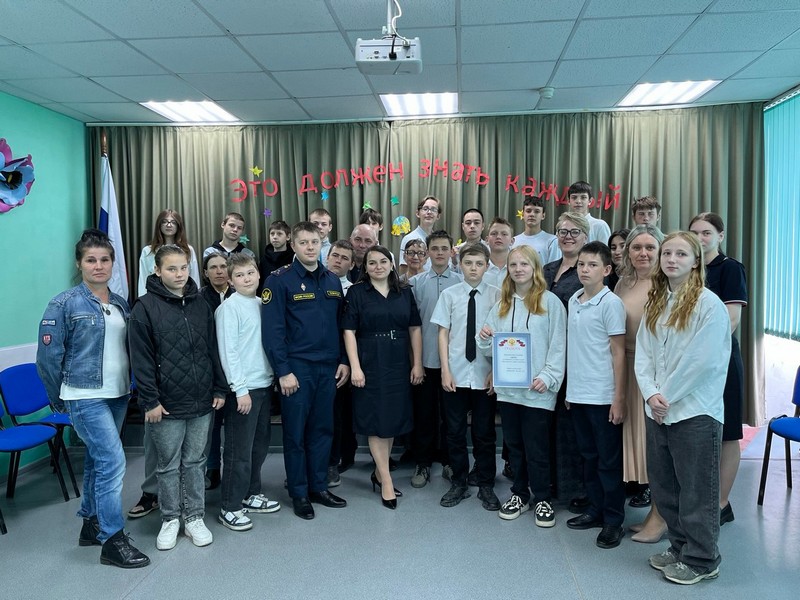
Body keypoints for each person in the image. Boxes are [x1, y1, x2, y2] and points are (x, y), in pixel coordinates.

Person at [36, 229, 150, 569]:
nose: (98, 266)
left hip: (117, 394)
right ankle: (113, 540)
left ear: (113, 263)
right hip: (84, 396)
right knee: (113, 461)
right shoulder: (63, 303)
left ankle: (91, 523)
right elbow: (47, 360)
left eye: (104, 260)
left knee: (98, 460)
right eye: (91, 260)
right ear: (79, 264)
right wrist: (61, 400)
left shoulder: (120, 303)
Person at [636, 231, 731, 585]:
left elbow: (702, 362)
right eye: (667, 253)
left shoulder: (709, 305)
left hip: (695, 412)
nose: (672, 259)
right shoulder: (657, 301)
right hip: (658, 409)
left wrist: (665, 396)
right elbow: (644, 354)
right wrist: (650, 394)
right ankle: (679, 547)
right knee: (665, 487)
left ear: (695, 262)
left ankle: (703, 559)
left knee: (696, 490)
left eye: (681, 254)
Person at [128, 245, 227, 551]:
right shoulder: (144, 308)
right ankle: (170, 518)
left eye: (183, 267)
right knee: (168, 465)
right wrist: (150, 401)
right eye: (171, 268)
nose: (179, 274)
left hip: (201, 400)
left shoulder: (200, 304)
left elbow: (212, 349)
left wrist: (219, 388)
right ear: (157, 270)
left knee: (195, 462)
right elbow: (141, 360)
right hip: (165, 404)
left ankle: (194, 517)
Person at [262, 222, 350, 520]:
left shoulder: (332, 280)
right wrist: (283, 371)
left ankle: (318, 487)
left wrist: (343, 360)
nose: (310, 247)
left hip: (328, 367)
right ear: (294, 245)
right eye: (303, 242)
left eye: (314, 242)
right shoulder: (279, 281)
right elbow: (273, 331)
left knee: (323, 430)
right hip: (297, 369)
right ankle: (299, 492)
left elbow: (340, 326)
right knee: (296, 434)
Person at [478, 245, 566, 527]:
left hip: (538, 390)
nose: (518, 269)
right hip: (508, 392)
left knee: (537, 448)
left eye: (524, 264)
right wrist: (485, 336)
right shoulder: (502, 305)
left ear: (535, 268)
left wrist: (548, 377)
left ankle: (542, 498)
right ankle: (519, 494)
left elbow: (558, 345)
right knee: (514, 446)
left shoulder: (551, 303)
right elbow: (489, 349)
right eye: (513, 265)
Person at [343, 246, 424, 509]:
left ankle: (379, 473)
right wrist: (355, 367)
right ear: (365, 267)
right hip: (370, 360)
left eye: (383, 261)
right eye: (372, 262)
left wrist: (417, 363)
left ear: (391, 264)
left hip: (398, 361)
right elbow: (348, 331)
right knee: (377, 420)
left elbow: (414, 328)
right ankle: (386, 480)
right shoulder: (357, 292)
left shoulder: (404, 292)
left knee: (391, 419)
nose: (378, 266)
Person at [564, 242, 627, 550]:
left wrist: (619, 397)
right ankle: (595, 508)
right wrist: (570, 391)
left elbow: (618, 352)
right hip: (578, 393)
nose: (585, 270)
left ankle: (613, 519)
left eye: (592, 265)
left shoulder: (611, 303)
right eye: (581, 264)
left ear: (606, 270)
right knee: (588, 457)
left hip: (603, 396)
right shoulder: (574, 300)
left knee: (608, 460)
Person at [689, 212, 747, 526]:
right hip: (688, 363)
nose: (700, 238)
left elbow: (731, 320)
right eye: (695, 232)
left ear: (720, 236)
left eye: (707, 232)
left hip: (721, 360)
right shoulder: (686, 267)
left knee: (728, 433)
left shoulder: (729, 268)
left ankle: (721, 504)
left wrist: (700, 350)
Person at [431, 243, 500, 510]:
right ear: (459, 265)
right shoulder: (449, 295)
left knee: (484, 433)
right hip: (456, 374)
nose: (473, 268)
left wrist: (495, 370)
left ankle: (485, 483)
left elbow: (501, 334)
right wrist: (445, 370)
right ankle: (458, 482)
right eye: (468, 263)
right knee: (455, 432)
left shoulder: (496, 295)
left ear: (487, 266)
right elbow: (443, 334)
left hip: (484, 376)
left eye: (479, 263)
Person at [216, 253, 280, 532]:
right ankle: (230, 506)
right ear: (230, 280)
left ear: (258, 274)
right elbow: (228, 352)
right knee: (238, 451)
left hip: (264, 385)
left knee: (258, 447)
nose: (246, 279)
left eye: (250, 273)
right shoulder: (229, 309)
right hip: (243, 391)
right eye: (239, 275)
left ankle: (251, 493)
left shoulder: (261, 304)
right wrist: (239, 389)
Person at [613, 225, 666, 543]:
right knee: (640, 447)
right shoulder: (624, 281)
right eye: (636, 247)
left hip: (654, 375)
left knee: (657, 448)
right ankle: (653, 514)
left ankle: (661, 517)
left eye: (650, 247)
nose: (643, 253)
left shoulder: (666, 283)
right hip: (626, 371)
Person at [543, 211, 590, 509]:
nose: (568, 237)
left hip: (576, 357)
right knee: (547, 423)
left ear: (585, 236)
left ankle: (577, 490)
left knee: (571, 425)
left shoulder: (589, 270)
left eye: (574, 232)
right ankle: (549, 482)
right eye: (562, 231)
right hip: (545, 356)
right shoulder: (546, 269)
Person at [408, 231, 462, 487]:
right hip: (426, 359)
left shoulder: (462, 282)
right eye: (435, 248)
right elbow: (412, 325)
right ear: (427, 252)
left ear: (452, 251)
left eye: (444, 248)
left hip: (455, 362)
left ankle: (451, 462)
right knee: (425, 415)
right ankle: (423, 463)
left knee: (452, 417)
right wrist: (415, 362)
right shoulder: (415, 283)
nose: (440, 252)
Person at [200, 250, 235, 491]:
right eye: (213, 267)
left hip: (237, 371)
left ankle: (234, 470)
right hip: (211, 372)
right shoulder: (199, 299)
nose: (219, 271)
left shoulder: (240, 294)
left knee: (234, 425)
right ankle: (213, 468)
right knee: (212, 425)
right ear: (205, 273)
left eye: (223, 266)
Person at [324, 240, 357, 482]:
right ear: (327, 257)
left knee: (337, 415)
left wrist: (346, 360)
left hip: (342, 362)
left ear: (352, 264)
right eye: (335, 255)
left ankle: (333, 462)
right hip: (315, 359)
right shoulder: (315, 284)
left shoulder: (353, 291)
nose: (338, 260)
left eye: (345, 258)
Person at [137, 209, 200, 298]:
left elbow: (194, 277)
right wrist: (144, 301)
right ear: (159, 225)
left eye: (173, 222)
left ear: (178, 226)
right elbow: (143, 280)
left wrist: (195, 298)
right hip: (155, 299)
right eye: (164, 222)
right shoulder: (147, 251)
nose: (169, 225)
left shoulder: (188, 250)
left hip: (182, 298)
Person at [512, 196, 561, 265]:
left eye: (537, 211)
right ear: (523, 214)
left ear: (543, 216)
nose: (532, 214)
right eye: (528, 211)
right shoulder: (513, 242)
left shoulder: (552, 241)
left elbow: (554, 269)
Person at [399, 195, 440, 276]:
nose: (429, 212)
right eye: (425, 209)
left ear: (438, 216)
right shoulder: (408, 239)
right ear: (418, 213)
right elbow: (403, 271)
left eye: (433, 209)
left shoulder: (439, 241)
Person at [258, 220, 294, 292]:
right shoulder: (264, 260)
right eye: (272, 234)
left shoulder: (294, 258)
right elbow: (260, 283)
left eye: (279, 234)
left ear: (288, 237)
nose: (275, 237)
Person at [483, 217, 515, 289]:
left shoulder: (518, 268)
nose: (498, 237)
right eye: (494, 234)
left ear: (512, 241)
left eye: (504, 234)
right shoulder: (479, 268)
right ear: (487, 240)